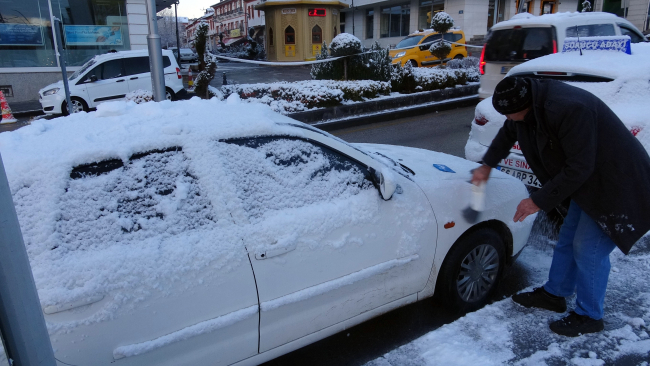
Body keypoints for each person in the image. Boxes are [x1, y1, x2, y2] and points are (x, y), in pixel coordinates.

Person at [472, 77, 650, 337]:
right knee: (568, 237)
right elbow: (510, 131)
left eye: (511, 114)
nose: (509, 118)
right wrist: (487, 164)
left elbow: (580, 167)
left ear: (528, 105)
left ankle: (589, 316)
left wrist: (538, 200)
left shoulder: (569, 108)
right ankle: (555, 294)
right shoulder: (528, 107)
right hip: (588, 183)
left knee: (588, 249)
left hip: (617, 184)